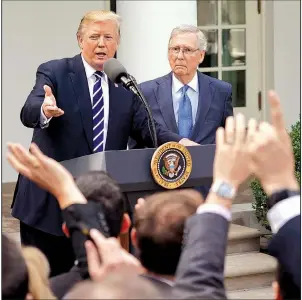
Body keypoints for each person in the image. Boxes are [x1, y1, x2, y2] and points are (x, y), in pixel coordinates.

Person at [11, 10, 193, 277]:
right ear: (79, 39)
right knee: (49, 286)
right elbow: (29, 110)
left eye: (108, 37)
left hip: (98, 208)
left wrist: (182, 142)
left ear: (117, 42)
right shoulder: (56, 71)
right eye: (94, 36)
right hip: (48, 208)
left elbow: (148, 129)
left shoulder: (124, 84)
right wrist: (44, 108)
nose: (101, 44)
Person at [129, 24, 233, 196]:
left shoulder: (221, 91)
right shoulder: (146, 92)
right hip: (161, 190)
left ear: (201, 55)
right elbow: (136, 145)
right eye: (174, 49)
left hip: (205, 190)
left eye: (187, 50)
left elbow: (227, 141)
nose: (179, 56)